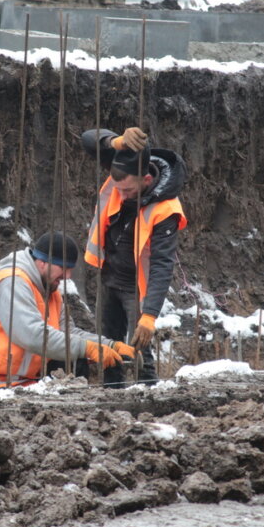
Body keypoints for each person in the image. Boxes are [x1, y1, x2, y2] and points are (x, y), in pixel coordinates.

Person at [0, 232, 135, 397]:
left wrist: (107, 344)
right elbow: (32, 334)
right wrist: (87, 348)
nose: (68, 276)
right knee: (78, 352)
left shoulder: (50, 292)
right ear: (42, 263)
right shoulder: (12, 282)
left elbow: (68, 333)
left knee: (76, 358)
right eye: (64, 268)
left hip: (20, 383)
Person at [81, 126, 187, 385]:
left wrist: (149, 315)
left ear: (147, 180)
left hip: (134, 288)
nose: (121, 195)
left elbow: (163, 264)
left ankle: (148, 398)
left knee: (140, 351)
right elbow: (86, 139)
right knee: (108, 346)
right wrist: (115, 141)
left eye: (128, 191)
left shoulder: (166, 209)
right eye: (119, 189)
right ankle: (112, 395)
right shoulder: (122, 168)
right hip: (109, 276)